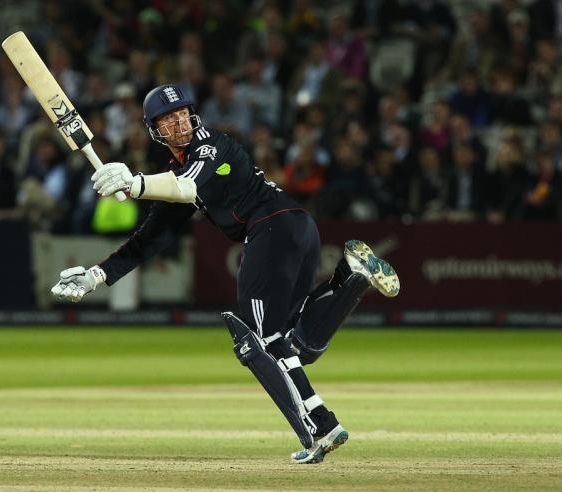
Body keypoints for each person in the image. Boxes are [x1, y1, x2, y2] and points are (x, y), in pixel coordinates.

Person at [50, 85, 400, 463]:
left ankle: (321, 425)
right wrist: (95, 277)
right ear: (155, 129)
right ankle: (350, 277)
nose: (180, 121)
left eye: (183, 112)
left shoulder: (212, 146)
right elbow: (150, 239)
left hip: (273, 227)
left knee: (261, 338)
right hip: (297, 228)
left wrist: (135, 184)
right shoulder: (177, 170)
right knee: (297, 342)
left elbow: (187, 187)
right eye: (169, 118)